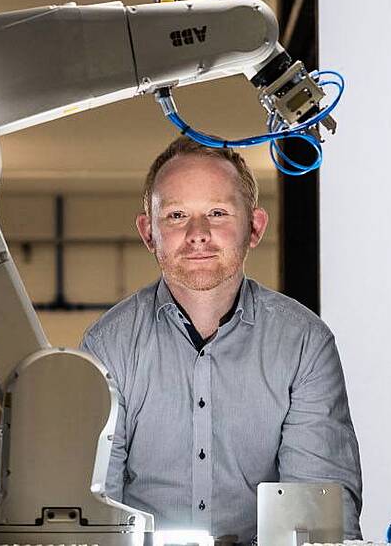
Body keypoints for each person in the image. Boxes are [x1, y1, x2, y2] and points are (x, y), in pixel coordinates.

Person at [80, 137, 362, 544]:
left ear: (255, 227)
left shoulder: (304, 345)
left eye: (217, 213)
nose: (198, 233)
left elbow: (316, 516)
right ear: (148, 232)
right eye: (176, 215)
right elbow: (94, 511)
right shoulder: (108, 347)